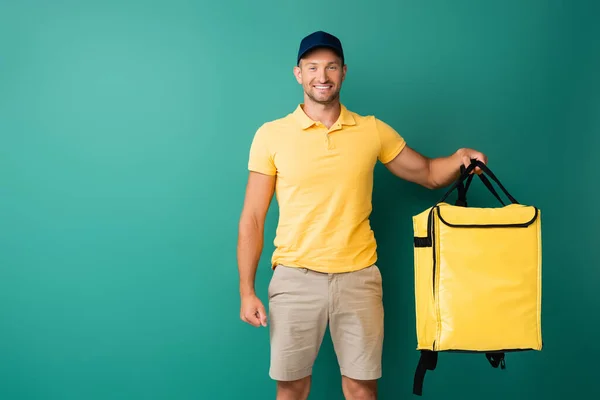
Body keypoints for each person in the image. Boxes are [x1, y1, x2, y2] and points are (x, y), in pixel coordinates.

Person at [237, 30, 487, 400]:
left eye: (331, 67)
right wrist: (246, 291)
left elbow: (430, 173)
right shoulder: (271, 135)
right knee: (291, 390)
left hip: (359, 279)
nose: (322, 76)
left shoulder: (371, 130)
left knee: (361, 389)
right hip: (294, 279)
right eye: (313, 67)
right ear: (298, 73)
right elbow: (253, 218)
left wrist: (461, 158)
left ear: (344, 72)